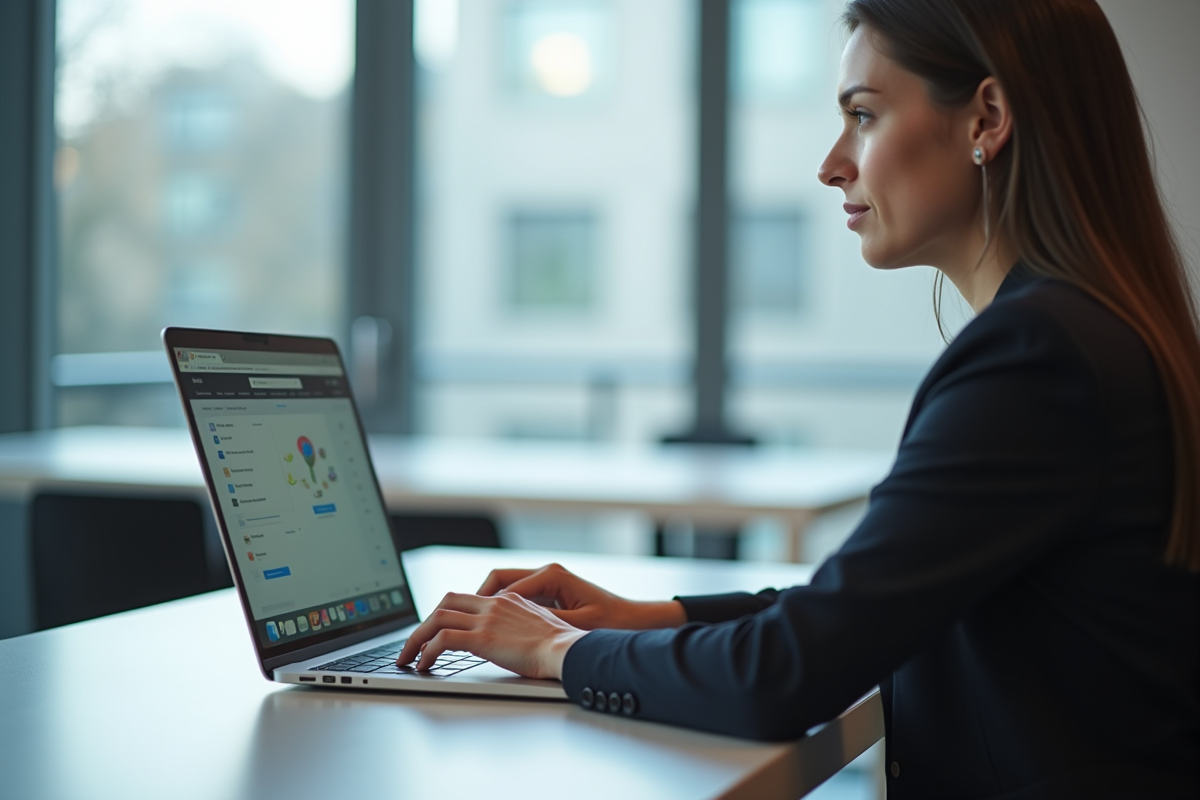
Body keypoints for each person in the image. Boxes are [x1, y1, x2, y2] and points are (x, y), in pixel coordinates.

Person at [396, 0, 1200, 796]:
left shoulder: (1038, 357)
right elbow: (866, 603)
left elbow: (787, 674)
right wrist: (646, 617)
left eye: (863, 116)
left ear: (985, 118)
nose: (831, 163)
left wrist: (553, 653)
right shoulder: (1091, 329)